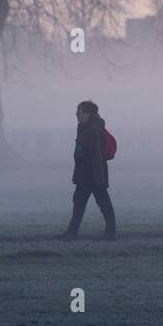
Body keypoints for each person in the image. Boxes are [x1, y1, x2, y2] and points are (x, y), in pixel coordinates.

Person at [59, 100, 116, 240]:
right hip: (88, 175)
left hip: (91, 176)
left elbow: (96, 156)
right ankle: (73, 232)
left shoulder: (93, 130)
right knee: (85, 203)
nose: (77, 115)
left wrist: (99, 179)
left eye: (79, 112)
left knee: (96, 203)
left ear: (88, 114)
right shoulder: (87, 128)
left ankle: (74, 232)